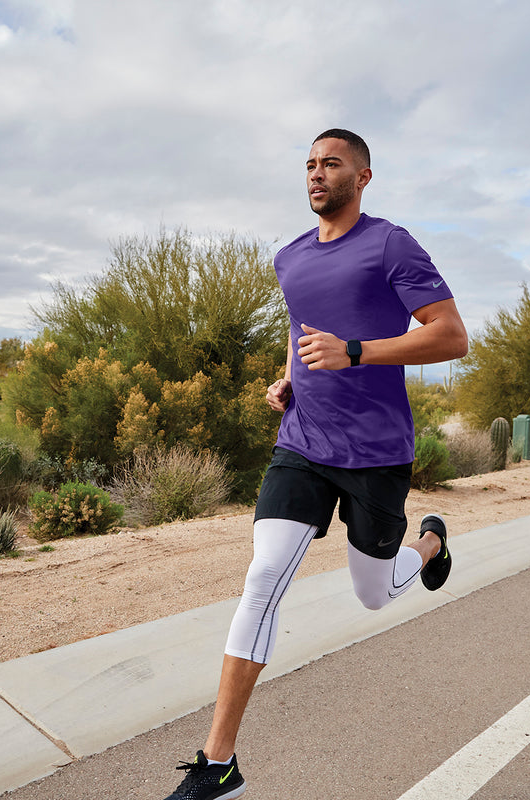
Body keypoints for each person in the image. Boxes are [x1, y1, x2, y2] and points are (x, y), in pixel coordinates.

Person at [162, 129, 469, 800]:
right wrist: (290, 379)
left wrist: (356, 352)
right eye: (309, 165)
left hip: (377, 453)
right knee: (263, 577)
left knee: (373, 593)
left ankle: (433, 540)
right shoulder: (289, 257)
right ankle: (219, 766)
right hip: (302, 443)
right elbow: (301, 331)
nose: (316, 174)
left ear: (362, 177)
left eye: (331, 164)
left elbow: (451, 335)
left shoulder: (391, 243)